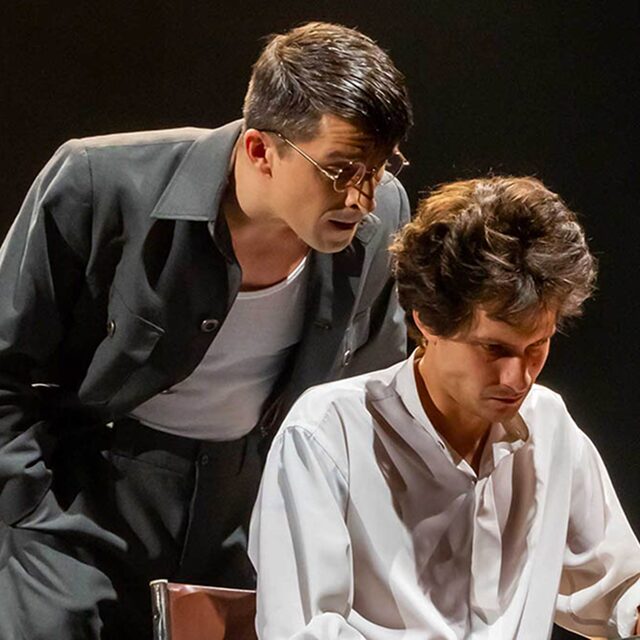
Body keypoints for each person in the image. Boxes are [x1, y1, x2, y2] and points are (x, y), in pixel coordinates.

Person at [0, 22, 413, 639]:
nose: (362, 198)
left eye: (379, 169)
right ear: (260, 150)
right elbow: (6, 361)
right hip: (83, 497)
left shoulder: (384, 219)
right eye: (341, 170)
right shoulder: (99, 180)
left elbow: (368, 397)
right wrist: (27, 506)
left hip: (249, 508)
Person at [249, 176, 640, 639]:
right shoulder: (326, 434)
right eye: (493, 349)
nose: (518, 378)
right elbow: (303, 631)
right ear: (428, 321)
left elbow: (616, 587)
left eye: (537, 345)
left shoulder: (548, 424)